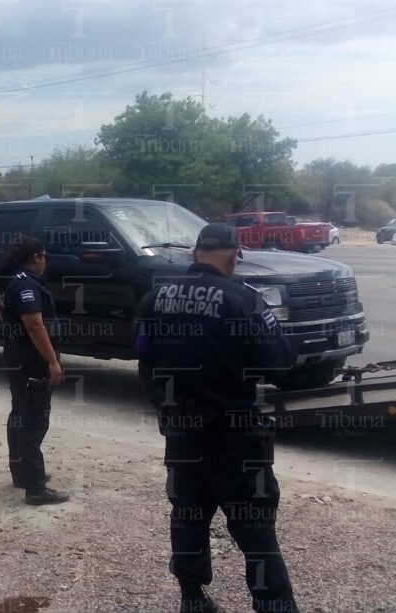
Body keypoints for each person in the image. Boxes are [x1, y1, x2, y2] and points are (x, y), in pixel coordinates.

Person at [135, 224, 299, 613]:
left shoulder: (155, 298)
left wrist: (164, 407)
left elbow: (144, 358)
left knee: (188, 516)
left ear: (196, 253)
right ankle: (275, 606)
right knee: (254, 526)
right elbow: (278, 364)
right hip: (234, 435)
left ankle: (191, 600)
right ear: (233, 254)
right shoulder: (244, 300)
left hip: (181, 433)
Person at [0, 234, 69, 506]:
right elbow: (35, 324)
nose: (45, 261)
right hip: (31, 361)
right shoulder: (26, 285)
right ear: (37, 257)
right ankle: (35, 487)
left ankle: (23, 474)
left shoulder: (12, 281)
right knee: (34, 421)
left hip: (17, 357)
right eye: (44, 256)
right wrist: (52, 361)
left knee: (20, 414)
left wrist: (13, 325)